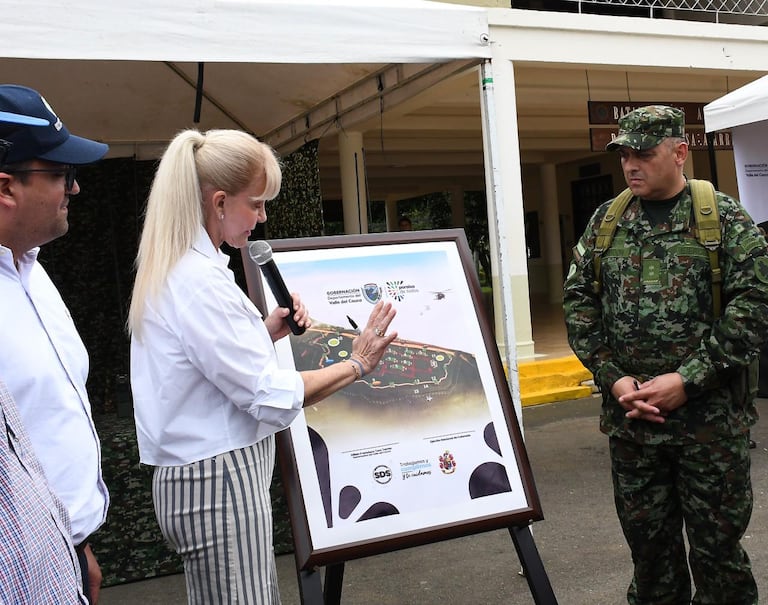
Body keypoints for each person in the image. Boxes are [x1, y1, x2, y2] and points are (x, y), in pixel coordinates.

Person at [128, 128, 397, 604]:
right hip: (219, 482)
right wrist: (358, 363)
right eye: (255, 204)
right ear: (218, 203)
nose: (262, 217)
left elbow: (206, 366)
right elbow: (267, 395)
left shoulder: (187, 269)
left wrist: (265, 331)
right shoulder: (199, 282)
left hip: (208, 478)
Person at [563, 105, 768, 605]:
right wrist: (613, 379)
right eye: (625, 156)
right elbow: (578, 303)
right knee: (650, 556)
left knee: (718, 556)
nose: (631, 166)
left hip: (709, 427)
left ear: (679, 153)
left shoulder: (723, 219)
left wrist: (687, 379)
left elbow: (756, 305)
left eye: (644, 154)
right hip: (634, 427)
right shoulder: (607, 221)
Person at [0, 84, 110, 604]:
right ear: (5, 187)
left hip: (61, 550)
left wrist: (78, 544)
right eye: (63, 174)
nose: (75, 188)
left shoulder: (32, 268)